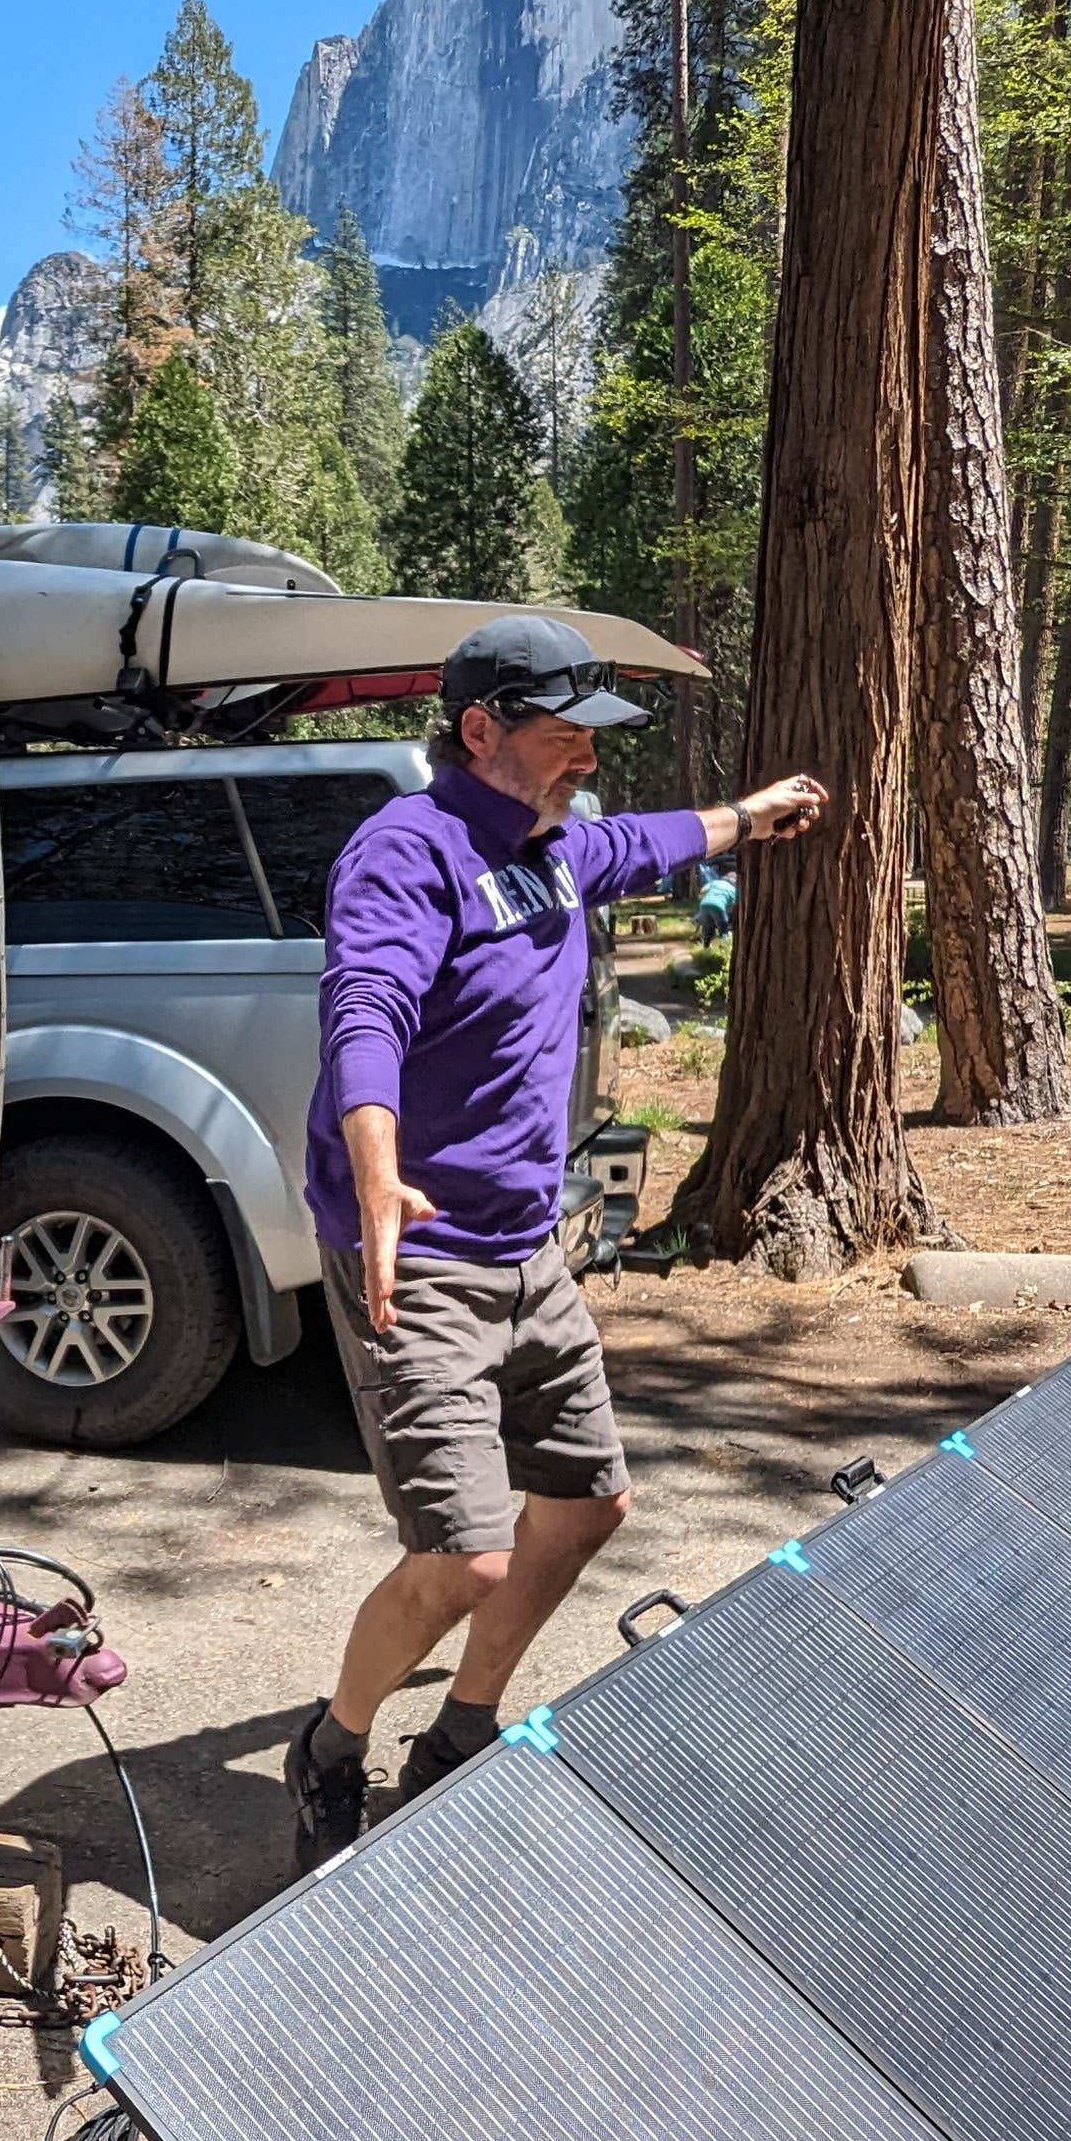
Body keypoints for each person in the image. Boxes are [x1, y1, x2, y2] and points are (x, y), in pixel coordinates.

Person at [283, 616, 826, 1871]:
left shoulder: (559, 846)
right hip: (420, 1257)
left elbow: (651, 841)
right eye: (561, 735)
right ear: (480, 731)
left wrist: (750, 816)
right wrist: (376, 1179)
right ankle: (329, 1744)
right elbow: (364, 1011)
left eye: (592, 736)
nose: (586, 758)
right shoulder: (405, 854)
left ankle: (462, 1734)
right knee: (464, 1557)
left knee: (586, 1507)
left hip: (532, 1250)